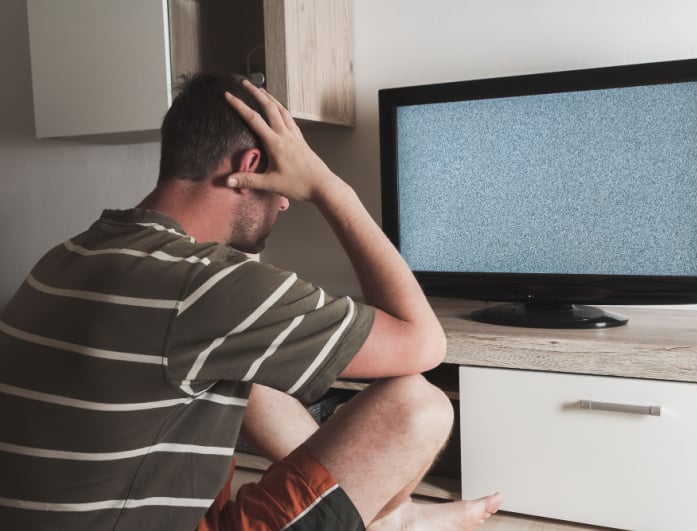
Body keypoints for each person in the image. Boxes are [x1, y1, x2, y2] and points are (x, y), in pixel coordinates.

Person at [0, 73, 501, 530]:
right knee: (419, 406)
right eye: (287, 182)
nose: (287, 201)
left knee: (243, 373)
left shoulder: (73, 252)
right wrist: (330, 188)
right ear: (251, 168)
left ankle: (394, 519)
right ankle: (395, 524)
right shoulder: (208, 282)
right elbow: (424, 342)